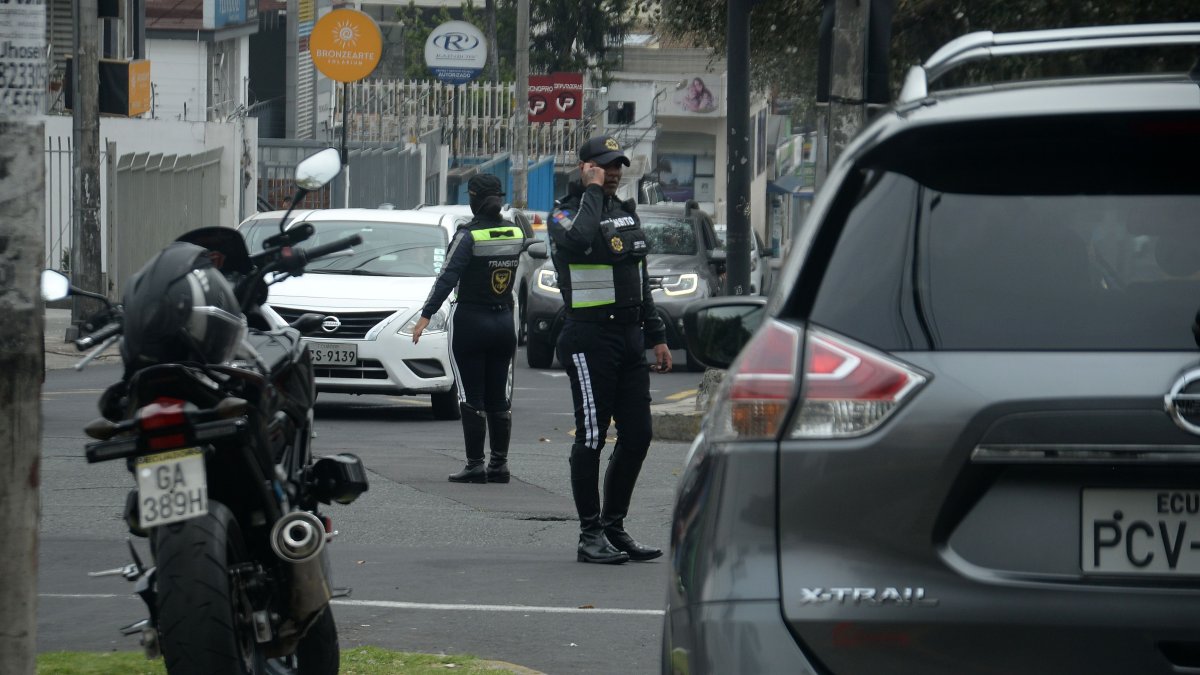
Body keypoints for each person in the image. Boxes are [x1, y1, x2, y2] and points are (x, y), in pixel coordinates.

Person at [548, 135, 673, 565]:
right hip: (588, 338)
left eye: (617, 166)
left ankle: (614, 526)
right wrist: (590, 193)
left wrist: (656, 334)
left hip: (628, 337)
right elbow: (581, 240)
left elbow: (639, 277)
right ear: (585, 168)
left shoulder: (624, 211)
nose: (614, 173)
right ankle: (590, 534)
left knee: (638, 434)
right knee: (592, 437)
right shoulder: (564, 213)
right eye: (604, 166)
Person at [412, 174, 525, 484]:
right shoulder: (514, 232)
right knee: (499, 394)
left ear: (474, 199)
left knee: (471, 394)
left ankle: (475, 464)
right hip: (504, 322)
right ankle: (499, 465)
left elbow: (447, 276)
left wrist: (426, 315)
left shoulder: (468, 236)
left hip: (471, 322)